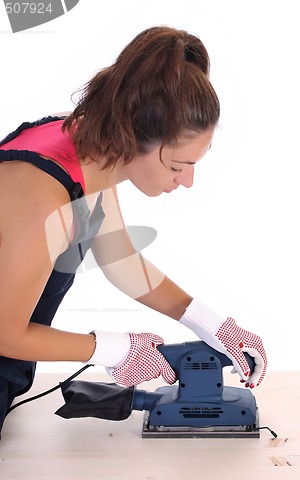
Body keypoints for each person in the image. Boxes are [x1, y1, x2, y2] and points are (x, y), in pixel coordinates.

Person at [0, 26, 267, 434]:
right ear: (133, 137)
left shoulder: (86, 145)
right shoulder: (42, 196)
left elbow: (122, 260)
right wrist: (114, 349)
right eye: (177, 165)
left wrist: (209, 323)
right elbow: (4, 332)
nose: (188, 181)